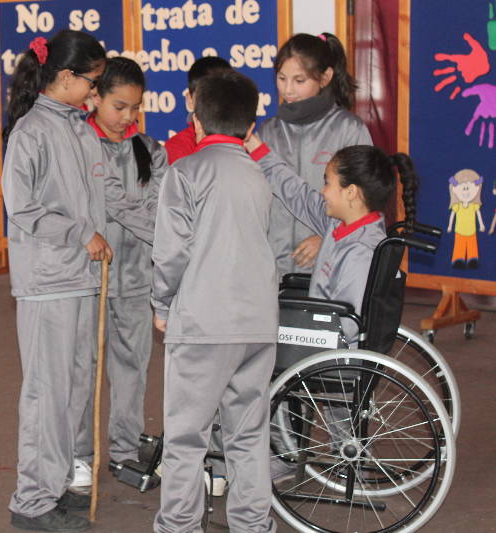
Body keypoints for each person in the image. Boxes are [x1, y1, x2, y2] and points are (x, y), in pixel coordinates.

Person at [151, 70, 278, 533]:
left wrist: (162, 307)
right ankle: (252, 524)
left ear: (196, 121)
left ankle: (180, 526)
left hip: (203, 325)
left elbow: (170, 253)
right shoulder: (259, 175)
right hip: (257, 323)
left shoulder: (184, 172)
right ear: (249, 127)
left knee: (186, 438)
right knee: (248, 435)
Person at [1, 29, 109, 533]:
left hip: (81, 278)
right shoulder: (31, 131)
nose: (95, 91)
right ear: (64, 77)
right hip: (48, 280)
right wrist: (79, 233)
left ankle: (56, 482)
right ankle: (32, 501)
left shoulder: (81, 128)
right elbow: (21, 207)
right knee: (46, 393)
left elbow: (102, 197)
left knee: (73, 390)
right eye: (92, 82)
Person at [245, 138, 419, 346]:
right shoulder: (338, 224)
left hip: (332, 350)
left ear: (351, 192)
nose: (323, 191)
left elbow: (347, 326)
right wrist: (255, 146)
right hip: (323, 330)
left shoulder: (361, 252)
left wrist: (295, 321)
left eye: (327, 183)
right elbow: (298, 194)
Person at [81, 57, 167, 472]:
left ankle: (126, 450)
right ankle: (79, 454)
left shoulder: (151, 150)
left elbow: (160, 210)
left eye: (135, 107)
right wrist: (160, 227)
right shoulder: (78, 144)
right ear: (94, 96)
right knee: (83, 371)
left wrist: (165, 232)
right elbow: (112, 202)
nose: (127, 116)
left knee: (132, 368)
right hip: (87, 280)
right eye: (119, 106)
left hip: (135, 280)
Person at [257, 32, 373, 277]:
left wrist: (328, 239)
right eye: (281, 78)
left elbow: (365, 203)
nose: (288, 89)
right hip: (271, 268)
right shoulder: (267, 132)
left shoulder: (349, 129)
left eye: (299, 80)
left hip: (327, 266)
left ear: (325, 77)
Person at [164, 56, 232, 164]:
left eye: (221, 96)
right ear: (190, 100)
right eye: (205, 97)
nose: (214, 105)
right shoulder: (176, 148)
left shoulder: (242, 141)